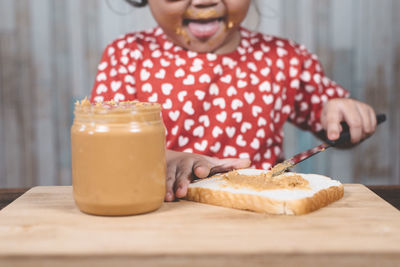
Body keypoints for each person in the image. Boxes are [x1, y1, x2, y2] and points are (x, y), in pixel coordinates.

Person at [90, 0, 377, 202]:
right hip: (159, 213)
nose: (204, 1)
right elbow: (104, 150)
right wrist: (167, 159)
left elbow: (335, 128)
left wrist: (342, 112)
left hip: (261, 219)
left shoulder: (284, 58)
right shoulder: (128, 55)